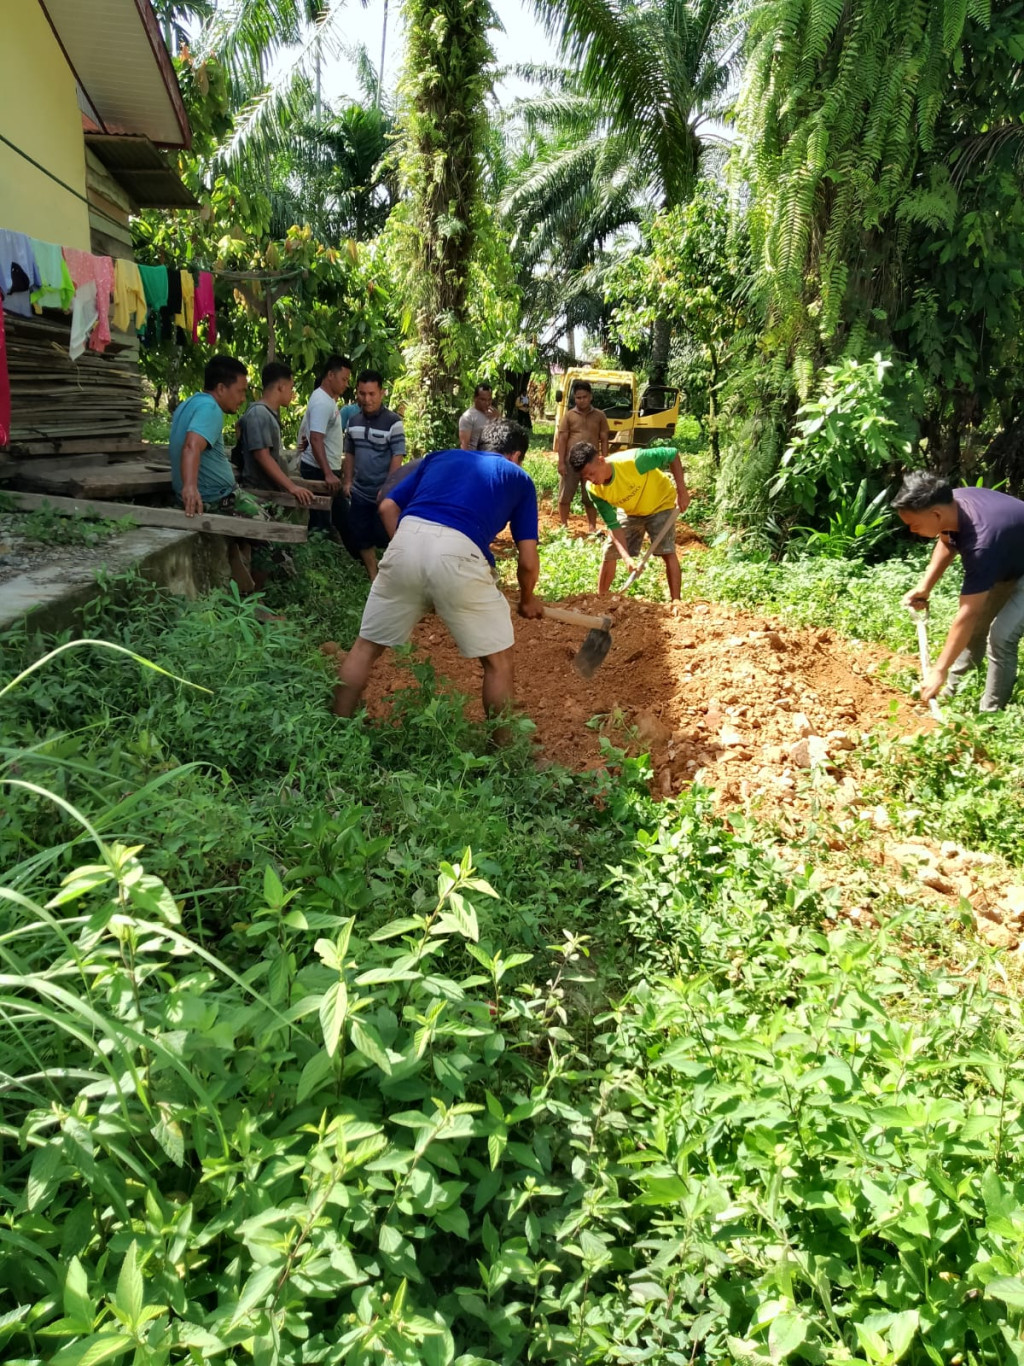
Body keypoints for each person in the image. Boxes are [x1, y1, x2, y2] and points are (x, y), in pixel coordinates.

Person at [334, 418, 543, 730]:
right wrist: (527, 600)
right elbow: (527, 561)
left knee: (365, 647)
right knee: (498, 663)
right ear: (516, 456)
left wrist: (414, 563)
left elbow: (387, 507)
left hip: (404, 543)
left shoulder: (440, 457)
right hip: (460, 554)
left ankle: (332, 729)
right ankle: (505, 759)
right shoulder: (518, 477)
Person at [893, 471, 1024, 709]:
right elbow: (946, 541)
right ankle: (952, 693)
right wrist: (925, 587)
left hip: (1009, 558)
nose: (911, 530)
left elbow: (967, 614)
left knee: (1001, 637)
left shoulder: (981, 544)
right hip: (1010, 556)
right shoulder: (952, 504)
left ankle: (990, 716)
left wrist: (938, 670)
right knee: (975, 629)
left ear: (935, 514)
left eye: (914, 525)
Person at [568, 440, 690, 599]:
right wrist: (627, 559)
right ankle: (601, 599)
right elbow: (613, 525)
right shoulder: (593, 489)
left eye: (591, 473)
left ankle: (676, 601)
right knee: (610, 551)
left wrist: (682, 491)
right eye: (585, 477)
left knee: (667, 551)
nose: (591, 479)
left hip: (661, 504)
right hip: (630, 510)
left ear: (601, 460)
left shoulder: (634, 460)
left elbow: (672, 454)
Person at [170, 355, 263, 519]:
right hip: (213, 500)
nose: (242, 399)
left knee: (266, 507)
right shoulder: (210, 408)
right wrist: (190, 487)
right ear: (221, 389)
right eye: (240, 391)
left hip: (205, 496)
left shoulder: (188, 404)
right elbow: (191, 446)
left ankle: (239, 545)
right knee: (271, 530)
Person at [344, 370, 406, 581]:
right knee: (360, 533)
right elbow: (349, 453)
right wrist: (348, 481)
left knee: (386, 534)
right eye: (362, 393)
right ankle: (373, 573)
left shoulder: (393, 422)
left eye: (371, 394)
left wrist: (388, 488)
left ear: (382, 393)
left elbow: (397, 455)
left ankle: (395, 573)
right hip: (360, 490)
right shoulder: (352, 421)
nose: (367, 399)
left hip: (384, 492)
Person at [297, 354, 358, 554]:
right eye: (344, 379)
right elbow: (316, 439)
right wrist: (328, 473)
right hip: (319, 470)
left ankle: (354, 555)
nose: (346, 384)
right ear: (330, 375)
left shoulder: (325, 400)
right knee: (324, 520)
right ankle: (328, 559)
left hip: (323, 468)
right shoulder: (323, 402)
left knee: (335, 517)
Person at [236, 360, 313, 508]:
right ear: (281, 387)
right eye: (291, 387)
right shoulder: (259, 413)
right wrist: (292, 487)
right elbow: (262, 456)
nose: (292, 393)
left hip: (269, 494)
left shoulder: (268, 414)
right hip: (258, 495)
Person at [555, 381, 608, 533]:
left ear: (590, 397)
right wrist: (561, 463)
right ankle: (564, 526)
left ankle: (592, 527)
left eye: (584, 397)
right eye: (578, 397)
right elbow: (562, 440)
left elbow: (604, 439)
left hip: (592, 463)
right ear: (574, 398)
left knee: (591, 496)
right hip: (571, 463)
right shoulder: (569, 416)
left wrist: (604, 460)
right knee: (565, 495)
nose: (581, 400)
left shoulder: (600, 416)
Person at [459, 383, 498, 450]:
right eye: (483, 400)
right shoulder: (468, 417)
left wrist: (498, 418)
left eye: (489, 400)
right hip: (476, 456)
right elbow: (464, 445)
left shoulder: (494, 413)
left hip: (493, 455)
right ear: (475, 399)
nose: (487, 403)